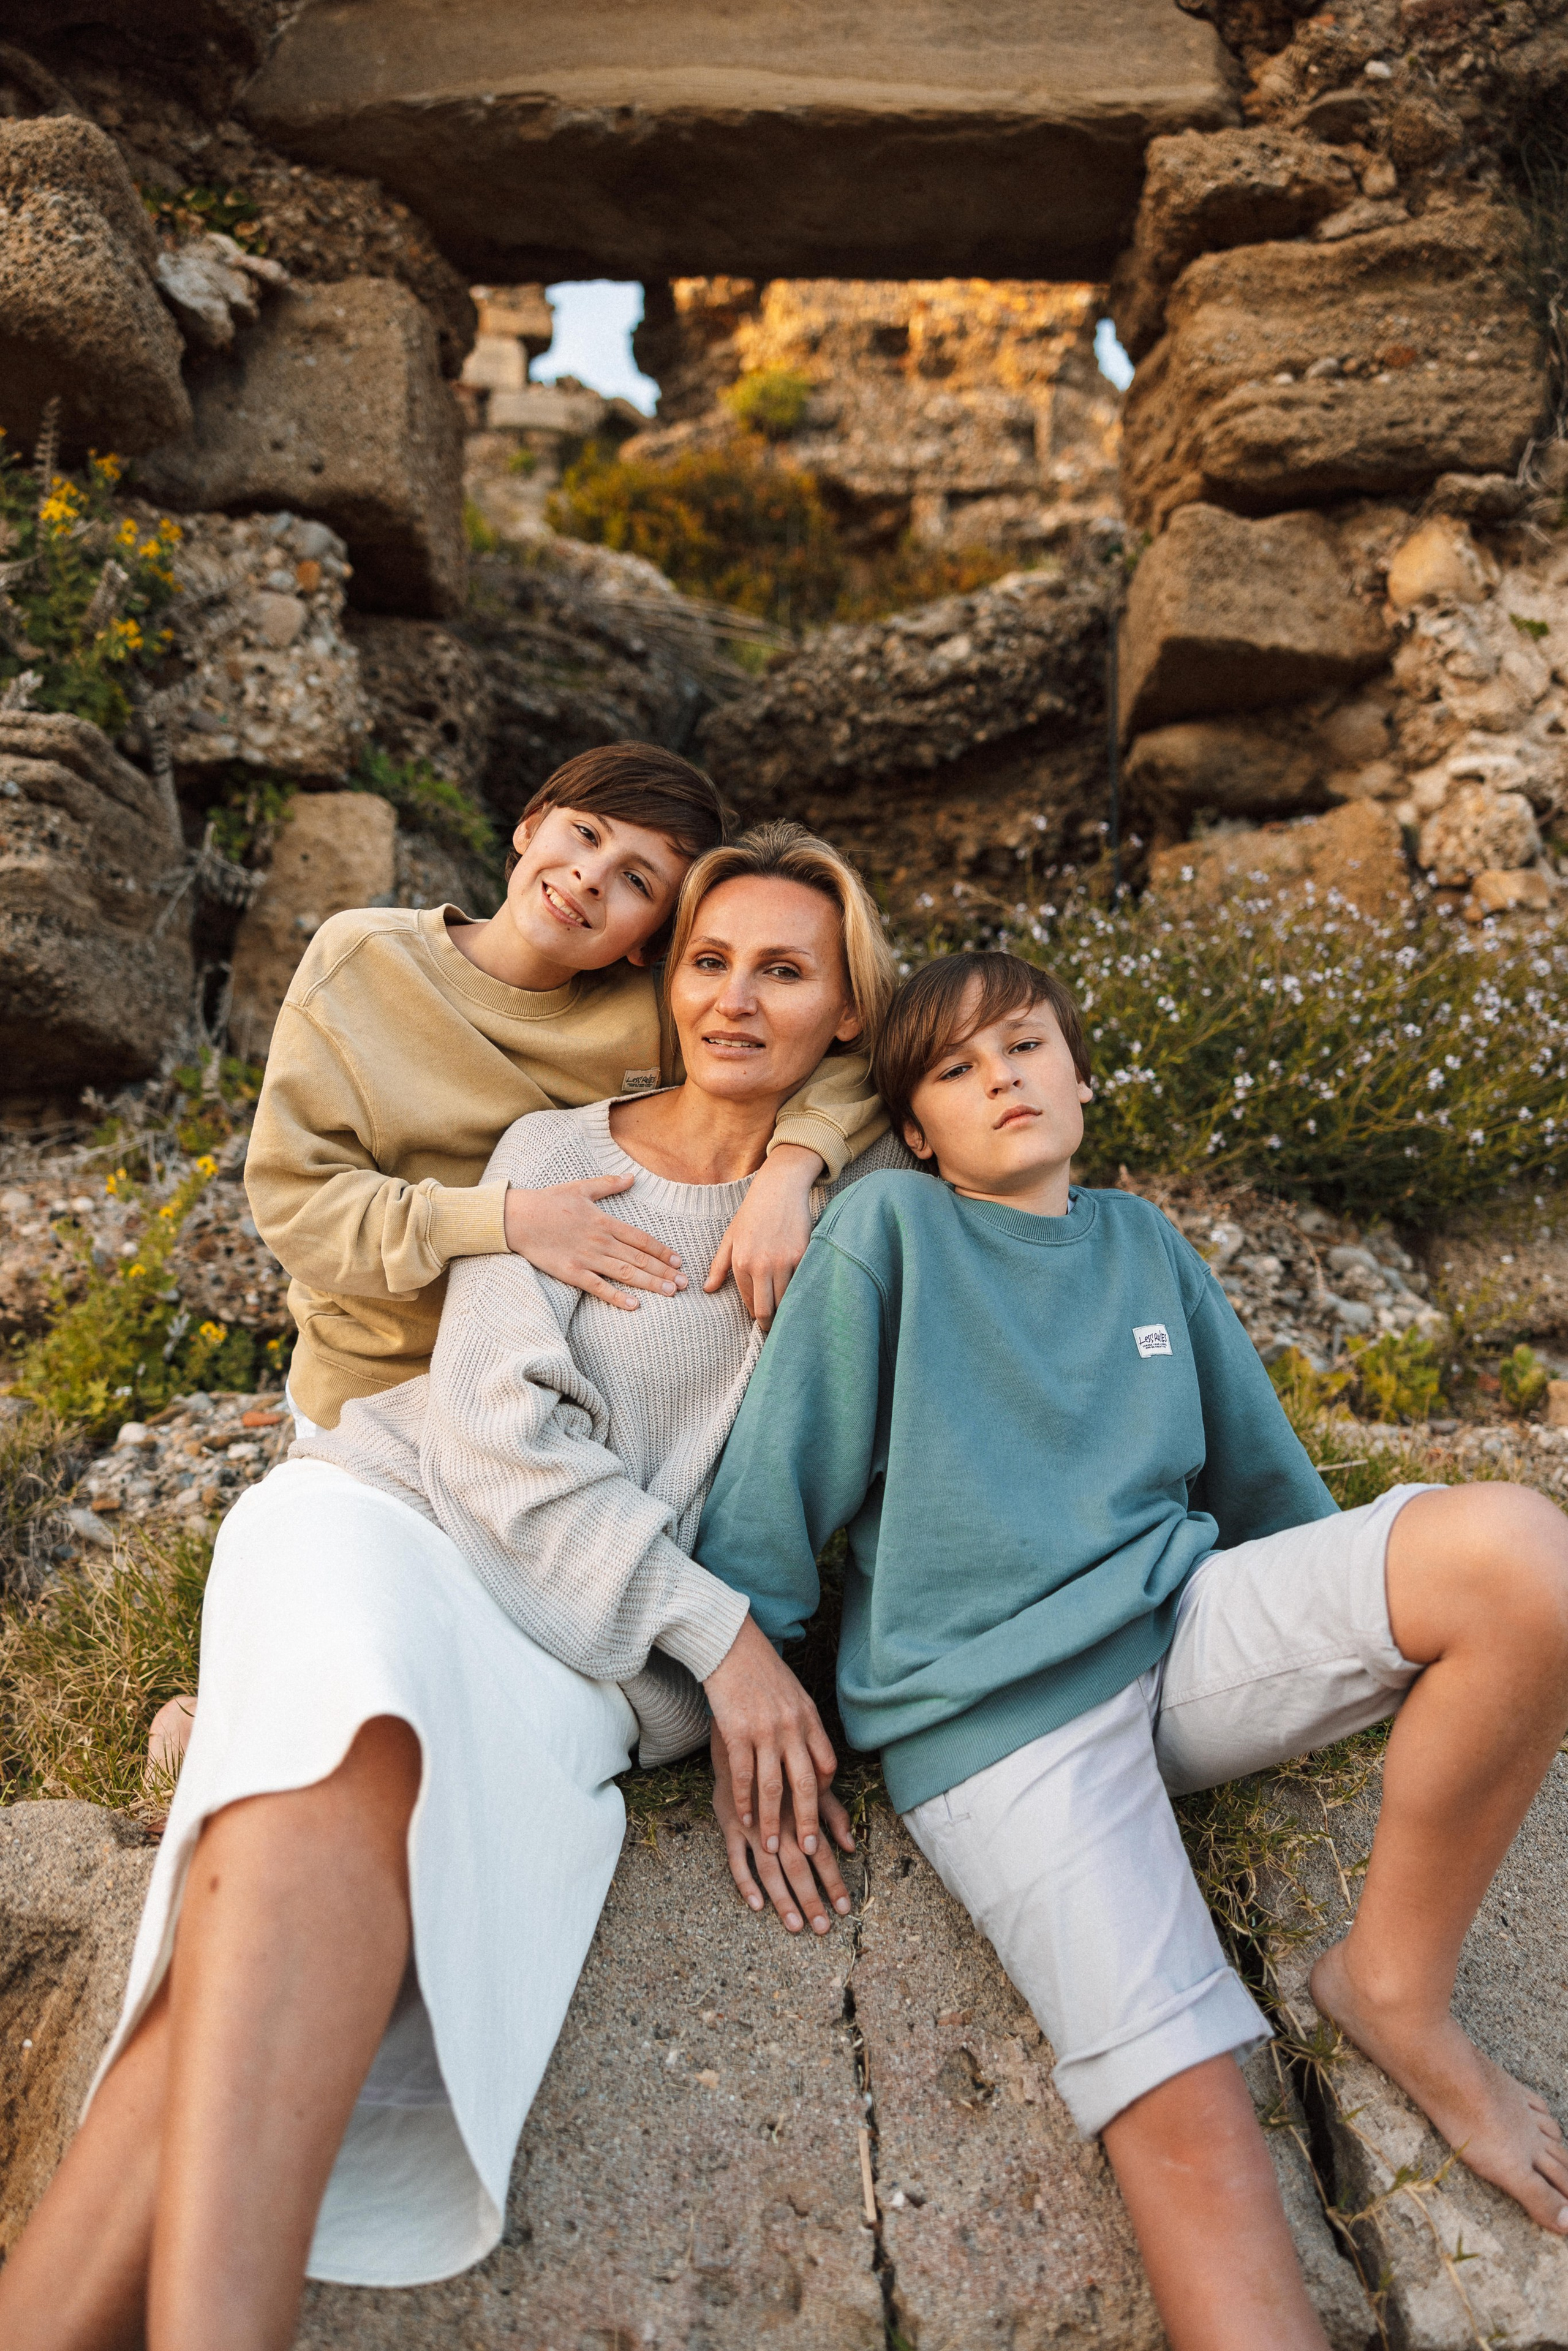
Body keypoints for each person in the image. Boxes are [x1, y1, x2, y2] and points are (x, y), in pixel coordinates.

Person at [0, 825, 902, 2351]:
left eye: (783, 971)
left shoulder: (865, 1201)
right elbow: (490, 1442)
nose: (735, 999)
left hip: (574, 1658)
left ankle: (213, 1736)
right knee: (352, 1750)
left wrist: (803, 1156)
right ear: (661, 981)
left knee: (268, 1861)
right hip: (393, 1518)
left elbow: (953, 1045)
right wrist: (722, 1638)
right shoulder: (555, 1151)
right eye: (705, 960)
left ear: (841, 1016)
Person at [695, 947, 1568, 2351]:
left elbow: (1269, 1494)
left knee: (1519, 1551)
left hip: (1190, 1630)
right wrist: (736, 1687)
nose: (1003, 1080)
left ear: (1081, 1072)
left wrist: (1376, 1613)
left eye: (1026, 1046)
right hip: (998, 1712)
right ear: (915, 1127)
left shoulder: (1141, 1239)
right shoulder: (892, 1230)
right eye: (957, 1070)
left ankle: (1390, 1987)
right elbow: (768, 1504)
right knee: (1192, 2127)